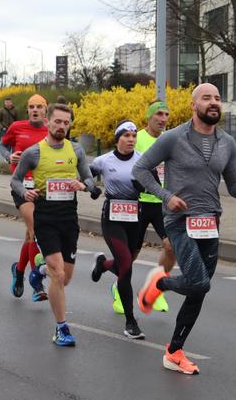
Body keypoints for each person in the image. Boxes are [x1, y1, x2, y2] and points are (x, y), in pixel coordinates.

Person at [133, 83, 236, 375]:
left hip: (210, 223)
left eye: (217, 98)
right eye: (206, 98)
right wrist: (167, 196)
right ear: (193, 105)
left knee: (198, 292)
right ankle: (158, 285)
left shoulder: (227, 143)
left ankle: (174, 352)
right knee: (199, 283)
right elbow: (140, 170)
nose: (214, 102)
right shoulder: (173, 138)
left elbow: (234, 188)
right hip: (179, 222)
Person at [11, 103, 101, 347]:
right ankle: (61, 329)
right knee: (59, 274)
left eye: (66, 122)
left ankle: (37, 273)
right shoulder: (34, 153)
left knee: (64, 278)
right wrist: (25, 193)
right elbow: (15, 180)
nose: (62, 126)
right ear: (48, 122)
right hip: (45, 218)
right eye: (57, 122)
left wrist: (85, 187)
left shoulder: (76, 150)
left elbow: (89, 180)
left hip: (69, 219)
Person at [110, 100, 174, 314]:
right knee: (130, 255)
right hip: (138, 203)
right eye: (159, 114)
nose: (163, 119)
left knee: (171, 247)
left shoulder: (169, 140)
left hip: (162, 204)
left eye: (166, 114)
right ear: (149, 116)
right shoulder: (137, 139)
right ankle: (119, 288)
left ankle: (156, 290)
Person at [89, 120, 145, 339]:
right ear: (117, 138)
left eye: (134, 136)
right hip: (112, 217)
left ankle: (103, 264)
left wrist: (144, 184)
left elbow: (154, 181)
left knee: (126, 262)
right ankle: (131, 321)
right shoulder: (104, 160)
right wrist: (90, 187)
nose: (131, 139)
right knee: (127, 268)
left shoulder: (142, 159)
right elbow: (85, 176)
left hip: (134, 217)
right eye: (126, 136)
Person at [0, 94, 49, 300]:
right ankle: (36, 283)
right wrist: (8, 156)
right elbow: (2, 146)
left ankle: (19, 271)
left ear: (46, 110)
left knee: (30, 235)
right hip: (21, 186)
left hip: (44, 189)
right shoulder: (17, 127)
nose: (35, 110)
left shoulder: (52, 129)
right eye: (31, 107)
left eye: (39, 106)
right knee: (35, 227)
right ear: (27, 110)